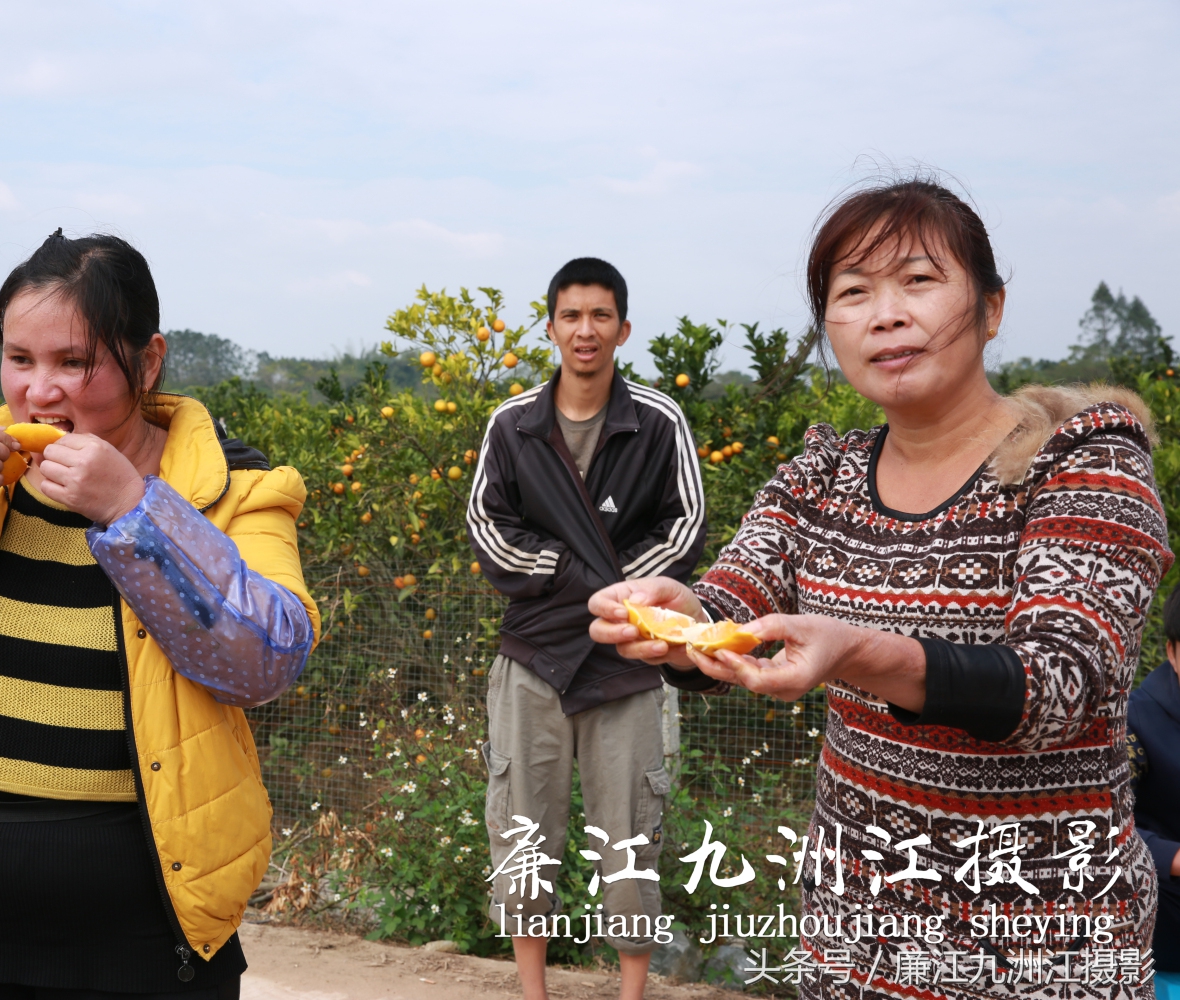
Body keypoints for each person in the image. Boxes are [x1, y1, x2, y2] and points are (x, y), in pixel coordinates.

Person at [588, 178, 1169, 999]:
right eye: (853, 293)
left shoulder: (1082, 464)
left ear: (992, 308)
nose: (885, 315)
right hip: (856, 944)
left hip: (1042, 951)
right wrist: (680, 623)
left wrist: (859, 653)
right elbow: (733, 602)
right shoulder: (819, 476)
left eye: (919, 282)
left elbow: (1063, 682)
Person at [0, 230, 318, 999]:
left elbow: (265, 663)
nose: (40, 392)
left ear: (148, 359)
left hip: (143, 927)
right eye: (20, 359)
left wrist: (135, 513)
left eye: (75, 362)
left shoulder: (235, 490)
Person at [467, 257, 707, 1000]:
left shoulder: (659, 420)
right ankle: (532, 991)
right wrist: (588, 579)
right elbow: (487, 526)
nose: (586, 330)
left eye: (601, 316)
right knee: (522, 829)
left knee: (630, 833)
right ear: (550, 329)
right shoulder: (512, 424)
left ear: (623, 329)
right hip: (534, 657)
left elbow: (687, 523)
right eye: (571, 316)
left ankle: (632, 990)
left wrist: (622, 596)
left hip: (625, 661)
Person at [1130, 587, 1180, 999]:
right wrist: (1174, 858)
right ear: (1172, 651)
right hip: (1167, 935)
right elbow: (1098, 824)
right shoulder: (1131, 722)